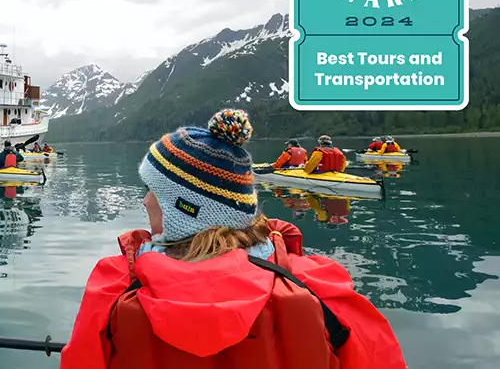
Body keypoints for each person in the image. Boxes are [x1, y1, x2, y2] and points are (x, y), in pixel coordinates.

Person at [59, 109, 406, 369]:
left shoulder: (113, 285)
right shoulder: (319, 284)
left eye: (150, 190)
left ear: (183, 208)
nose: (144, 200)